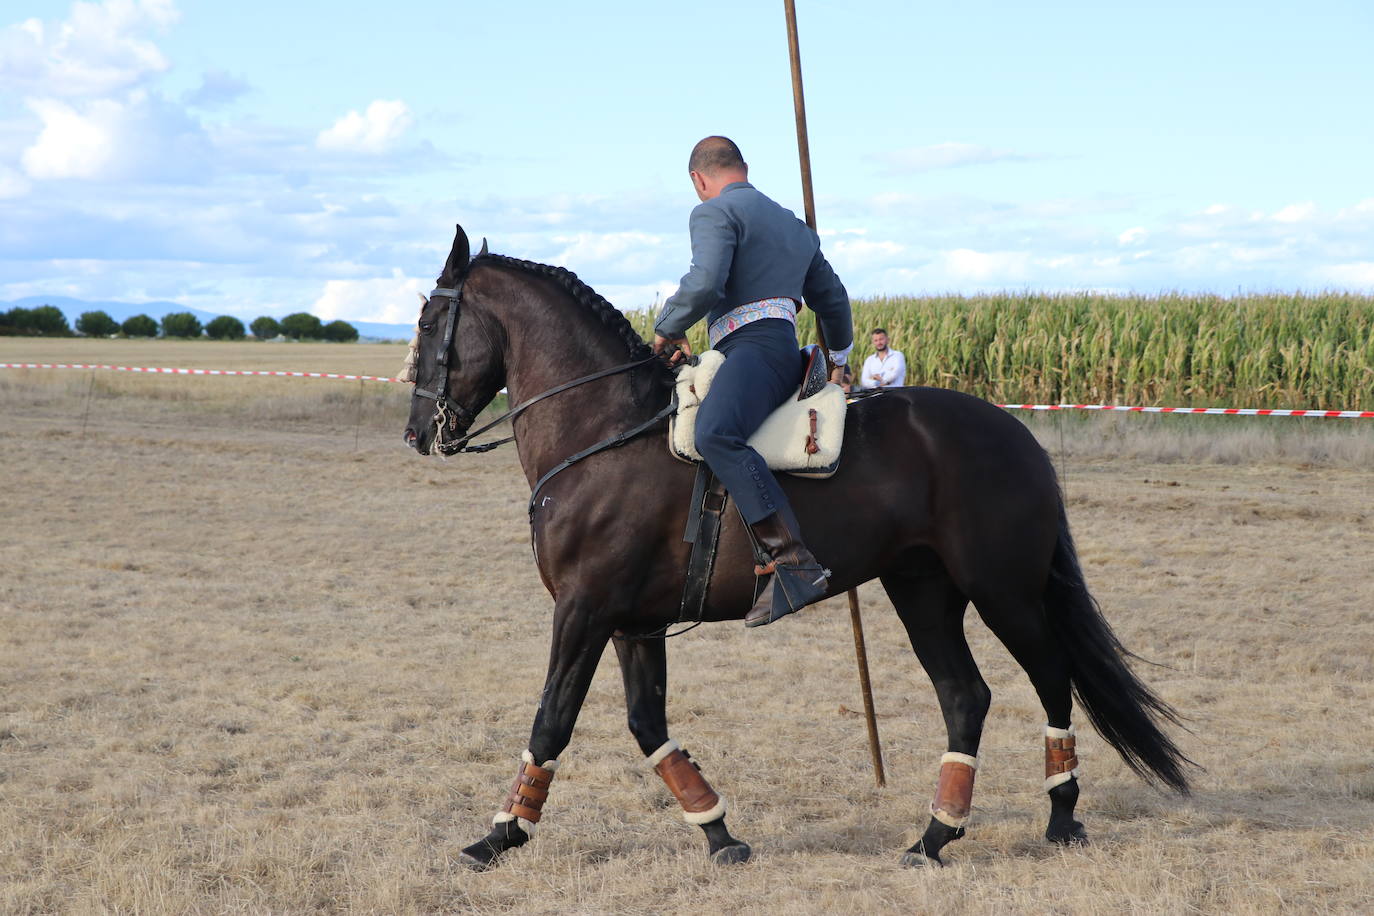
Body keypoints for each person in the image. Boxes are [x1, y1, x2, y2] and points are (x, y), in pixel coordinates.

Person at [652, 136, 854, 628]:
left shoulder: (713, 213)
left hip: (753, 350)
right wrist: (840, 356)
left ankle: (793, 562)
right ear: (744, 168)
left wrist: (667, 326)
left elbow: (705, 282)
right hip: (777, 348)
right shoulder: (795, 227)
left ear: (698, 179)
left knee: (715, 433)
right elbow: (833, 300)